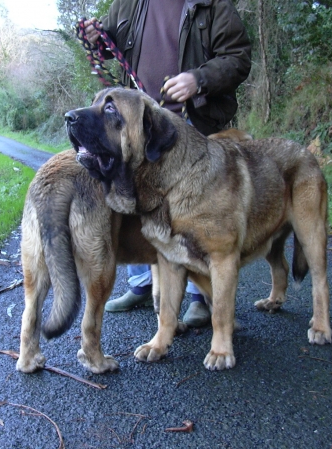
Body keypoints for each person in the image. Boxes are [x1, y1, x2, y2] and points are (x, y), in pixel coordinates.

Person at [83, 0, 251, 327]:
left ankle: (200, 299)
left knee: (192, 212)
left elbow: (239, 56)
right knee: (134, 200)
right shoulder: (129, 3)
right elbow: (111, 45)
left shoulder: (210, 4)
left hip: (194, 126)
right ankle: (141, 285)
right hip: (138, 126)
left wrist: (198, 79)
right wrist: (96, 39)